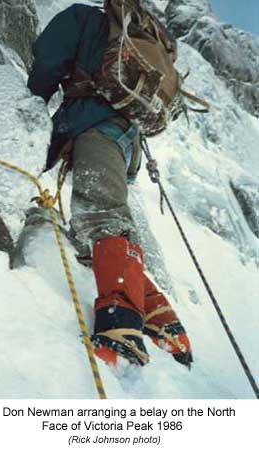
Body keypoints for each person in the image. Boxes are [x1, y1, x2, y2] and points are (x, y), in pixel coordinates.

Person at [27, 1, 192, 368]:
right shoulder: (135, 37)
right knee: (109, 221)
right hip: (126, 140)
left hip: (93, 125)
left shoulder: (84, 19)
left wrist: (33, 101)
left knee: (101, 218)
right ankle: (160, 318)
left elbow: (48, 60)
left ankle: (121, 322)